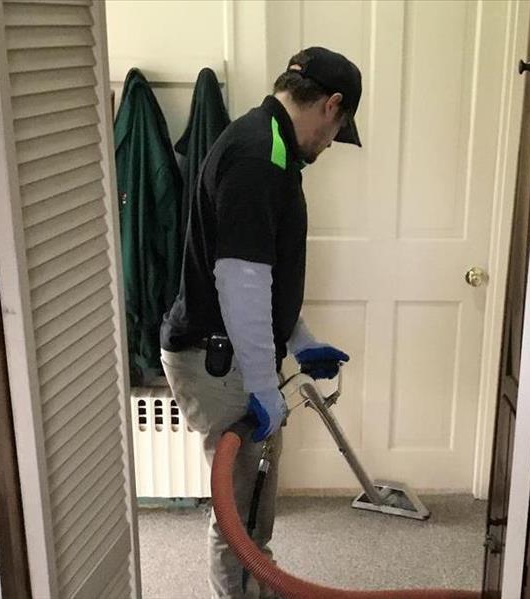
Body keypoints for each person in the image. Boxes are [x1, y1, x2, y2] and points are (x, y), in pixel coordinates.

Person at [160, 46, 363, 599]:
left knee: (251, 507)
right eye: (338, 128)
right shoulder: (258, 158)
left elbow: (261, 275)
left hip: (228, 348)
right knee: (240, 516)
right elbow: (241, 283)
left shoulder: (270, 146)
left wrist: (299, 340)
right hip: (218, 356)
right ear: (331, 105)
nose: (330, 143)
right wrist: (258, 383)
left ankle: (256, 588)